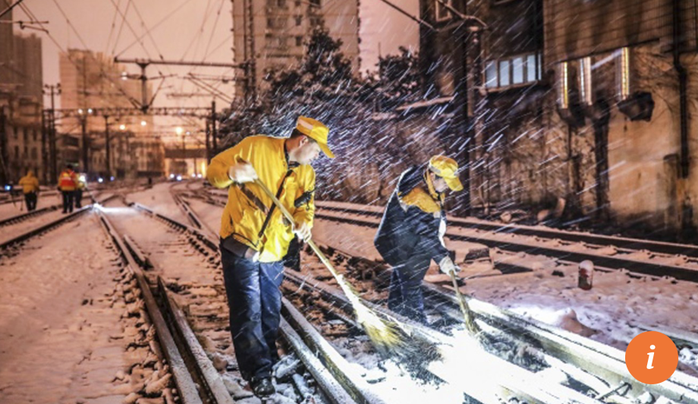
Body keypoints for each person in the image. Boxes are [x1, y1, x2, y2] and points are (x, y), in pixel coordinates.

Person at [206, 116, 333, 398]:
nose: (316, 157)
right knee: (248, 312)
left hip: (275, 252)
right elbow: (213, 171)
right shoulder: (255, 147)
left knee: (270, 311)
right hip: (241, 245)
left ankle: (268, 358)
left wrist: (303, 222)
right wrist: (231, 173)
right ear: (303, 141)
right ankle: (258, 372)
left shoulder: (306, 173)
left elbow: (305, 205)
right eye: (316, 150)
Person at [374, 155, 464, 324]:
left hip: (403, 244)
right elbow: (424, 233)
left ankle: (396, 314)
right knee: (411, 285)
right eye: (444, 182)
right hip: (404, 246)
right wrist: (442, 258)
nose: (446, 188)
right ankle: (418, 327)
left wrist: (441, 252)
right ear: (431, 176)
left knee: (402, 278)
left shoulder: (429, 189)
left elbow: (431, 228)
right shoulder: (417, 196)